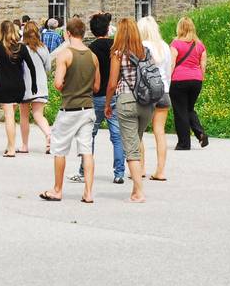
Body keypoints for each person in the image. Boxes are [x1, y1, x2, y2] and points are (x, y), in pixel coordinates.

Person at [38, 17, 100, 203]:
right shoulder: (93, 56)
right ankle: (88, 193)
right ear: (83, 33)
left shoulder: (65, 54)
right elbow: (97, 86)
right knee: (86, 151)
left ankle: (57, 189)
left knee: (59, 149)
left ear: (68, 33)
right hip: (88, 108)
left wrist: (67, 85)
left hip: (70, 108)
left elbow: (57, 83)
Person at [105, 17, 155, 202]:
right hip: (147, 103)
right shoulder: (145, 51)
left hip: (126, 101)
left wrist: (108, 103)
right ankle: (135, 188)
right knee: (137, 141)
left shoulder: (118, 53)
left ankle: (139, 192)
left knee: (131, 149)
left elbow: (111, 83)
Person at [72, 13, 124, 184]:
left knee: (89, 135)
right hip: (115, 93)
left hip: (95, 96)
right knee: (116, 135)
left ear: (92, 31)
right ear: (108, 29)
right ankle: (119, 173)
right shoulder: (116, 47)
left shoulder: (90, 49)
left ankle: (83, 170)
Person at [0, 20, 35, 157]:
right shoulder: (21, 48)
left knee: (9, 116)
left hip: (3, 83)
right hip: (18, 84)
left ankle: (11, 148)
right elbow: (31, 66)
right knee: (12, 114)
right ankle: (9, 144)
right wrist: (33, 83)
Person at [138, 16, 173, 180]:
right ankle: (160, 170)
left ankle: (141, 167)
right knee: (160, 131)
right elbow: (168, 71)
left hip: (146, 92)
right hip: (163, 91)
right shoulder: (164, 46)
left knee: (139, 131)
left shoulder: (141, 46)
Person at [169, 17, 209, 150]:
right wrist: (199, 78)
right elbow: (203, 65)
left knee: (180, 111)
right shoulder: (200, 45)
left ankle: (184, 143)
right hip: (196, 80)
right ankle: (200, 133)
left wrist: (168, 79)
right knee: (189, 108)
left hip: (179, 80)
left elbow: (172, 63)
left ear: (180, 28)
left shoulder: (175, 44)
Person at [18, 21, 52, 154]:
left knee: (24, 116)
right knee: (38, 115)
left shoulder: (21, 48)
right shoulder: (43, 48)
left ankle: (25, 145)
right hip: (40, 85)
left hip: (25, 86)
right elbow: (48, 68)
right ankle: (48, 134)